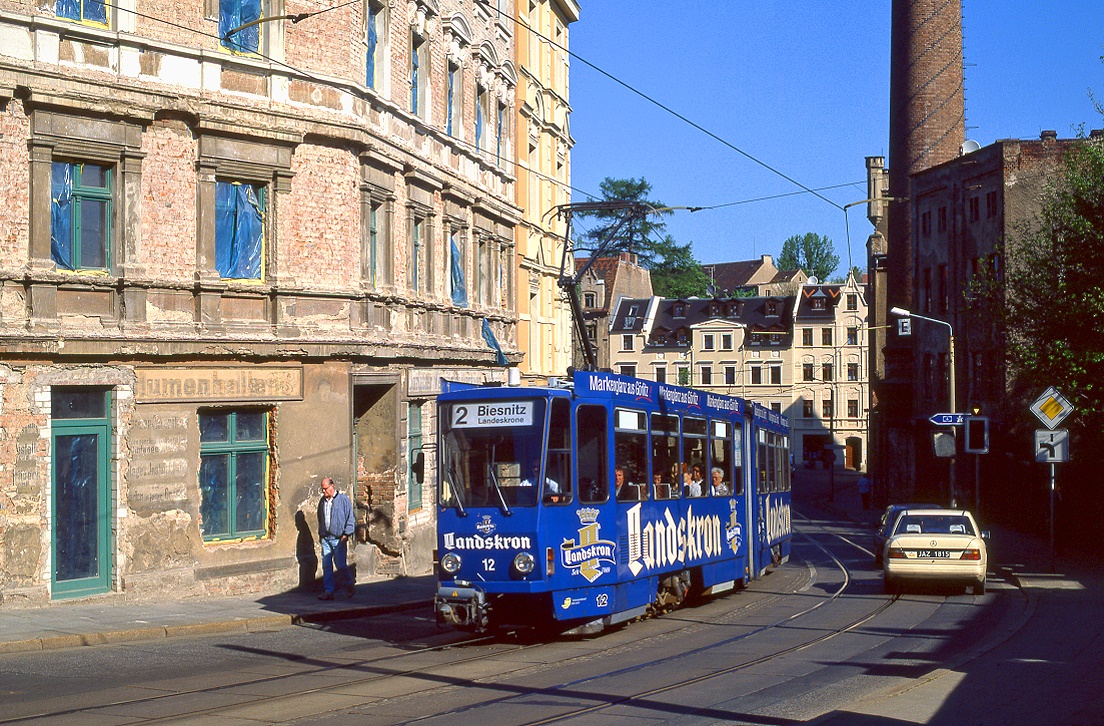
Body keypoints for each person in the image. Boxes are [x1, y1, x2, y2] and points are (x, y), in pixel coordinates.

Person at [316, 477, 356, 600]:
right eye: (322, 489)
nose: (324, 492)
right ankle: (329, 591)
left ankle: (350, 584)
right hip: (326, 538)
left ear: (332, 486)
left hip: (339, 538)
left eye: (325, 489)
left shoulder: (343, 500)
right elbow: (320, 518)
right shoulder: (322, 502)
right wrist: (321, 533)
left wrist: (346, 535)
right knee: (327, 565)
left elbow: (350, 518)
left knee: (340, 564)